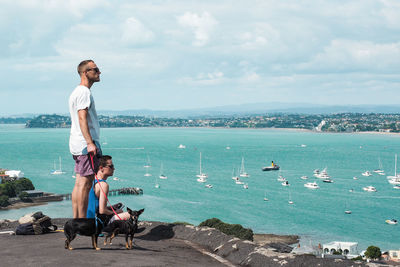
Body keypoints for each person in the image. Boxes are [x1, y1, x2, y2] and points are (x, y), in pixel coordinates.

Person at [69, 59, 102, 218]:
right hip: (84, 144)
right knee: (85, 183)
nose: (99, 72)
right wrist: (90, 143)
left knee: (79, 183)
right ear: (85, 73)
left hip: (77, 143)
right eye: (95, 69)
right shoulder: (84, 92)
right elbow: (82, 117)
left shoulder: (76, 91)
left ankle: (77, 218)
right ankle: (81, 222)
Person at [87, 155, 130, 221]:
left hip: (86, 218)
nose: (113, 169)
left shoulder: (91, 180)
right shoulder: (103, 185)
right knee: (130, 214)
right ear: (101, 168)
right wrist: (116, 212)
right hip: (95, 222)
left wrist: (110, 207)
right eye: (111, 166)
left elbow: (94, 205)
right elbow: (102, 211)